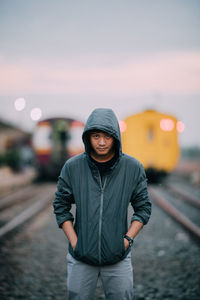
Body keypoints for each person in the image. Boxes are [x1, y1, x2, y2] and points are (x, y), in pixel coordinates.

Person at [53, 108, 151, 300]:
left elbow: (143, 208)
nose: (102, 142)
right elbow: (61, 206)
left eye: (107, 136)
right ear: (87, 137)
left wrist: (126, 241)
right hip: (80, 258)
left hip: (118, 259)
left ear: (116, 137)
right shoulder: (73, 167)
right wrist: (75, 242)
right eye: (96, 136)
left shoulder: (132, 168)